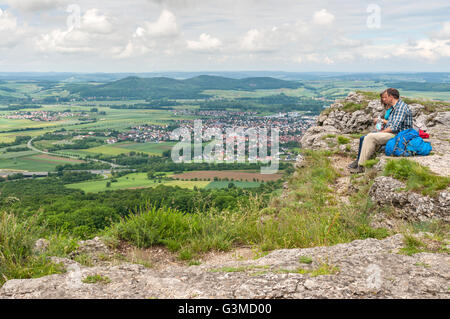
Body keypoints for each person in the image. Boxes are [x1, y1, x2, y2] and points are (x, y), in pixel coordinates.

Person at [349, 88, 413, 173]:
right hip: (396, 133)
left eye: (386, 97)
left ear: (391, 97)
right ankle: (361, 162)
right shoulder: (396, 107)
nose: (384, 99)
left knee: (370, 137)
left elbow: (394, 127)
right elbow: (391, 123)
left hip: (399, 135)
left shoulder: (400, 108)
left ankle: (361, 166)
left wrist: (381, 132)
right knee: (369, 136)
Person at [348, 94, 392, 169]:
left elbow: (392, 123)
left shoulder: (394, 109)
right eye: (382, 98)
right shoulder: (387, 107)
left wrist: (381, 121)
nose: (384, 99)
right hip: (384, 129)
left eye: (385, 97)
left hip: (388, 131)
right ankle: (358, 159)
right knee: (362, 138)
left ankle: (360, 162)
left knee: (367, 138)